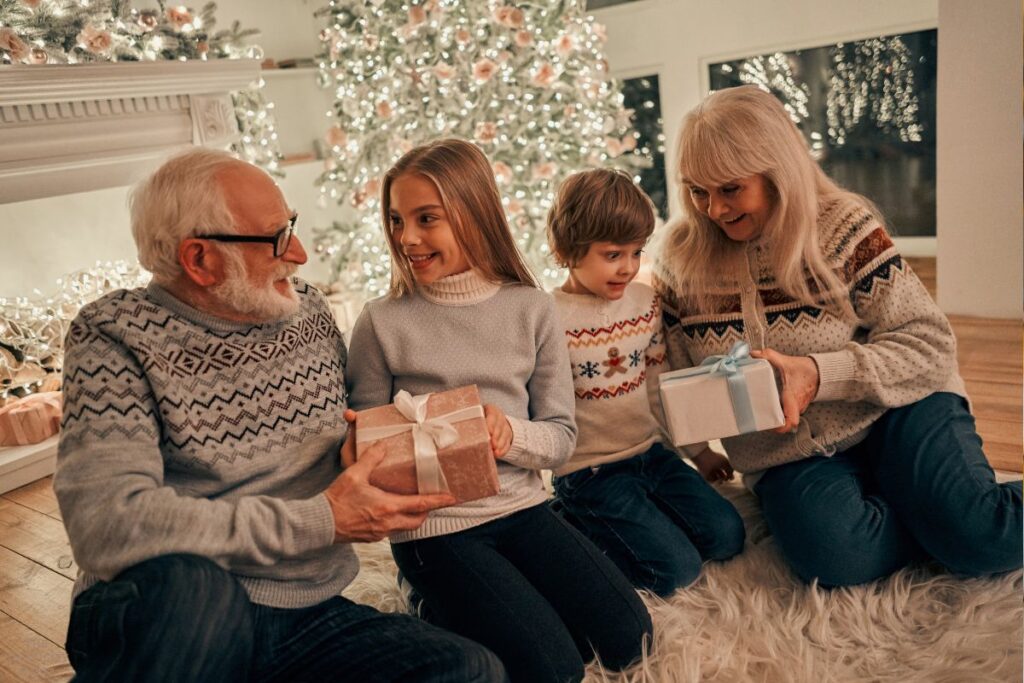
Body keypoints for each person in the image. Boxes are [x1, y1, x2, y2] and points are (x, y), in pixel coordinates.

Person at [53, 148, 507, 682]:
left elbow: (363, 429)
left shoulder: (309, 312)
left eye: (291, 226)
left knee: (470, 671)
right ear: (200, 259)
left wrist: (457, 427)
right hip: (173, 610)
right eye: (276, 237)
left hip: (305, 611)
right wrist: (323, 519)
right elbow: (107, 524)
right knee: (199, 594)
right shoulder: (113, 336)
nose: (300, 253)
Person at [653, 85, 1023, 587]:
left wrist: (819, 374)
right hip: (785, 455)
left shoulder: (843, 227)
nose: (713, 209)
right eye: (697, 191)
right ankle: (935, 517)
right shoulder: (678, 260)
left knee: (985, 538)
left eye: (730, 188)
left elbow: (929, 343)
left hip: (899, 409)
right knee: (838, 560)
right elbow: (675, 376)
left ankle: (951, 521)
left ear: (776, 171)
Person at [345, 139, 652, 683]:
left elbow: (561, 438)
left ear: (474, 213)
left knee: (632, 638)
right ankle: (427, 597)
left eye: (426, 218)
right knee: (554, 669)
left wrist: (506, 434)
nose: (406, 237)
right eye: (396, 219)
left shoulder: (531, 309)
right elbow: (366, 451)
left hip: (522, 507)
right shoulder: (380, 322)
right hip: (433, 529)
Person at [545, 168, 745, 597]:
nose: (628, 268)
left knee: (728, 536)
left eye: (636, 253)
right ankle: (567, 523)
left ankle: (642, 517)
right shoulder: (546, 318)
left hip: (652, 455)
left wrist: (699, 451)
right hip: (590, 472)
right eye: (613, 255)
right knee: (675, 571)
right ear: (566, 249)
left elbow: (659, 384)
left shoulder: (644, 302)